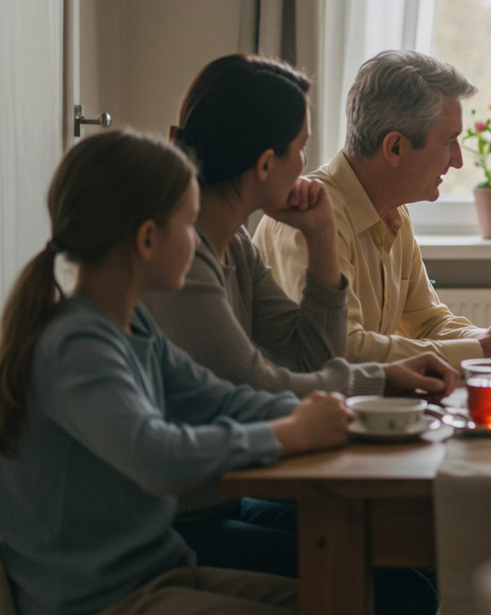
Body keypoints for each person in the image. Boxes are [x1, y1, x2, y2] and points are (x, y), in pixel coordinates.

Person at [141, 54, 453, 612]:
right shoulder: (179, 263)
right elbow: (258, 386)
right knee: (400, 590)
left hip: (219, 501)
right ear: (265, 165)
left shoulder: (233, 245)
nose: (309, 164)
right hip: (173, 522)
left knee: (411, 563)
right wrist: (378, 383)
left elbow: (310, 355)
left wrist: (323, 238)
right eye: (302, 147)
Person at [0, 130, 351, 614]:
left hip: (159, 573)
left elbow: (221, 398)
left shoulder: (133, 324)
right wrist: (288, 434)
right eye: (189, 226)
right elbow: (158, 455)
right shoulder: (76, 346)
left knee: (345, 602)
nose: (197, 242)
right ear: (147, 239)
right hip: (99, 600)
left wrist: (329, 417)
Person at [253, 50, 491, 368]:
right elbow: (340, 352)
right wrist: (484, 350)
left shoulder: (394, 212)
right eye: (449, 141)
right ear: (395, 147)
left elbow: (426, 322)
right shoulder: (309, 217)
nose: (458, 160)